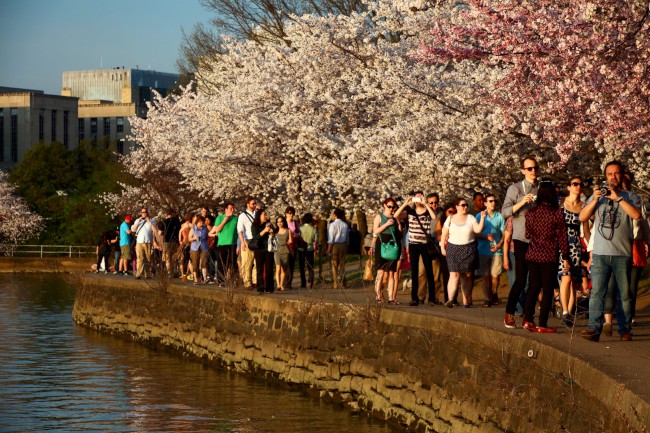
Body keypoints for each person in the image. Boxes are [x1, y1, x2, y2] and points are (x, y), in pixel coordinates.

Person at [579, 161, 641, 342]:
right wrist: (596, 199)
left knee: (625, 295)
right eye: (609, 174)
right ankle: (593, 329)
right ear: (605, 176)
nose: (613, 177)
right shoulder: (597, 197)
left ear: (622, 175)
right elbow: (582, 216)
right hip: (600, 253)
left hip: (622, 253)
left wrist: (618, 199)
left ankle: (624, 329)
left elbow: (637, 215)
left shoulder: (630, 197)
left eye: (616, 173)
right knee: (597, 292)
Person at [522, 182, 570, 333]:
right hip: (549, 255)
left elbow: (527, 234)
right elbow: (562, 237)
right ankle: (542, 323)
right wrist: (566, 256)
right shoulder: (557, 213)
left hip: (533, 253)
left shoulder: (530, 212)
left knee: (534, 287)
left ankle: (528, 319)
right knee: (548, 288)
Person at [502, 156, 540, 328]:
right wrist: (522, 202)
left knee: (535, 281)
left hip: (538, 240)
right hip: (520, 239)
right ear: (523, 171)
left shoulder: (541, 188)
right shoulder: (515, 188)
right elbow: (505, 211)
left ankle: (528, 317)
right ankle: (509, 313)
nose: (533, 171)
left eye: (535, 168)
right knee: (520, 279)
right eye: (530, 168)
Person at [440, 198, 486, 307]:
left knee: (466, 275)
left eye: (466, 205)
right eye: (463, 205)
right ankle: (450, 299)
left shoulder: (470, 218)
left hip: (468, 249)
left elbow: (478, 230)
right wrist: (443, 248)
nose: (465, 207)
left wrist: (483, 218)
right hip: (453, 249)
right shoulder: (450, 219)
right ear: (457, 206)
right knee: (454, 274)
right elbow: (443, 234)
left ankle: (466, 300)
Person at [558, 177, 591, 326]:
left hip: (576, 245)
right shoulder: (560, 203)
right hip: (562, 245)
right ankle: (565, 311)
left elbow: (585, 230)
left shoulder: (584, 206)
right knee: (565, 277)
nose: (578, 186)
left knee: (573, 282)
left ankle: (569, 313)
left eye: (580, 184)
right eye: (575, 184)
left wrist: (591, 249)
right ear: (569, 187)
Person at [395, 192, 437, 307]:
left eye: (420, 196)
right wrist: (405, 203)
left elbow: (433, 217)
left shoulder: (428, 211)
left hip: (425, 244)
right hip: (413, 244)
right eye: (416, 197)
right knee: (414, 271)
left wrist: (425, 204)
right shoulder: (410, 212)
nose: (418, 199)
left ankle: (432, 298)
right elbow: (396, 216)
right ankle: (414, 298)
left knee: (429, 271)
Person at [476, 194, 505, 307]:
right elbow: (474, 233)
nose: (493, 203)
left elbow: (504, 234)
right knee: (485, 276)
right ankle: (487, 298)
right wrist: (484, 236)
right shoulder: (479, 216)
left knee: (495, 275)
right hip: (483, 250)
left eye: (494, 201)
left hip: (496, 250)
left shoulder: (499, 217)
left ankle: (494, 293)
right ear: (485, 203)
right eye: (490, 201)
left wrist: (499, 244)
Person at [373, 198, 403, 305]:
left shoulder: (395, 218)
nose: (391, 209)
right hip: (382, 244)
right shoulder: (379, 217)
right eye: (389, 206)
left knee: (391, 272)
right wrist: (386, 224)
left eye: (393, 207)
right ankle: (378, 296)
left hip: (393, 245)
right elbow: (375, 232)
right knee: (380, 272)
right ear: (384, 205)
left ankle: (391, 298)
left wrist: (398, 223)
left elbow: (400, 234)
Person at [209, 203, 238, 287]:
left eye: (233, 208)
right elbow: (217, 229)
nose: (232, 210)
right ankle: (221, 281)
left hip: (233, 244)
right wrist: (226, 219)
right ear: (226, 209)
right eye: (230, 208)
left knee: (232, 264)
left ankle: (232, 280)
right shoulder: (220, 218)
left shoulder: (236, 218)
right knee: (222, 264)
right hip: (222, 244)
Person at [131, 208, 159, 280]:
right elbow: (133, 229)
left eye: (145, 212)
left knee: (148, 258)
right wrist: (138, 222)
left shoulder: (152, 221)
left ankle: (147, 274)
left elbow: (155, 230)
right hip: (139, 242)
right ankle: (138, 274)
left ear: (147, 213)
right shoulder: (137, 220)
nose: (143, 213)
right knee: (140, 258)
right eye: (142, 212)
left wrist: (149, 221)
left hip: (148, 242)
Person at [252, 208, 275, 293]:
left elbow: (273, 235)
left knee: (269, 268)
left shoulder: (268, 224)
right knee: (259, 269)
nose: (266, 216)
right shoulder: (254, 225)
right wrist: (264, 230)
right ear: (259, 216)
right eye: (264, 215)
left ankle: (270, 288)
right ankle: (260, 287)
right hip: (259, 249)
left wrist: (271, 232)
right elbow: (255, 237)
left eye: (266, 215)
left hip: (268, 249)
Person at [237, 197, 257, 289]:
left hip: (257, 240)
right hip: (247, 240)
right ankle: (247, 282)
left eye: (255, 203)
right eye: (253, 203)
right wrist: (242, 242)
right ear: (247, 204)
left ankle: (255, 280)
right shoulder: (242, 216)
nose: (254, 205)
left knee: (257, 262)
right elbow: (240, 230)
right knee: (247, 263)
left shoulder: (257, 213)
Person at [327, 208, 349, 289]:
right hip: (343, 245)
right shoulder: (345, 225)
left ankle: (336, 283)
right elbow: (347, 238)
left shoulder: (332, 225)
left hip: (335, 246)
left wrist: (329, 249)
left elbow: (331, 238)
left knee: (334, 265)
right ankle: (344, 282)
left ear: (335, 215)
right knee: (342, 265)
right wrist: (347, 246)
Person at [189, 215, 211, 284]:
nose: (201, 224)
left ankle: (205, 278)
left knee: (204, 262)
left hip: (204, 247)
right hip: (195, 248)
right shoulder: (193, 229)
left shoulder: (205, 228)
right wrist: (194, 238)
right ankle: (196, 279)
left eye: (202, 222)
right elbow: (189, 238)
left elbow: (208, 235)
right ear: (197, 222)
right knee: (195, 263)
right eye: (200, 222)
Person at [298, 212, 318, 289]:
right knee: (310, 266)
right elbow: (316, 240)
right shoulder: (313, 229)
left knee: (301, 267)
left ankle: (303, 283)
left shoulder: (300, 228)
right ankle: (311, 282)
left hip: (301, 249)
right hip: (310, 249)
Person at [284, 207, 300, 289]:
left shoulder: (295, 223)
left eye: (292, 213)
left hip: (293, 246)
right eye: (290, 213)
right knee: (284, 264)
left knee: (291, 264)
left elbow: (299, 232)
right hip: (284, 245)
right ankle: (282, 281)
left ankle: (289, 282)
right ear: (286, 214)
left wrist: (297, 235)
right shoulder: (283, 223)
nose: (291, 215)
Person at [274, 215, 292, 291]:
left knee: (283, 270)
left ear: (284, 222)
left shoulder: (288, 231)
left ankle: (281, 284)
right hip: (277, 251)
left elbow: (291, 241)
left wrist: (288, 241)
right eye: (278, 222)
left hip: (285, 251)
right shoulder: (275, 231)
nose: (279, 223)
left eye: (281, 221)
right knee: (278, 267)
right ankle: (278, 284)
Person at [162, 210, 181, 276]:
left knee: (168, 257)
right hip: (175, 241)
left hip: (166, 241)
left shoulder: (164, 222)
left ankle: (169, 272)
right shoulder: (177, 222)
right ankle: (175, 271)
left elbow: (160, 232)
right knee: (174, 257)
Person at [179, 213, 193, 282]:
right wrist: (180, 240)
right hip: (187, 243)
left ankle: (186, 274)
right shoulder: (187, 224)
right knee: (187, 258)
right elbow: (180, 231)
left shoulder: (187, 224)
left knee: (187, 258)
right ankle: (186, 274)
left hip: (188, 242)